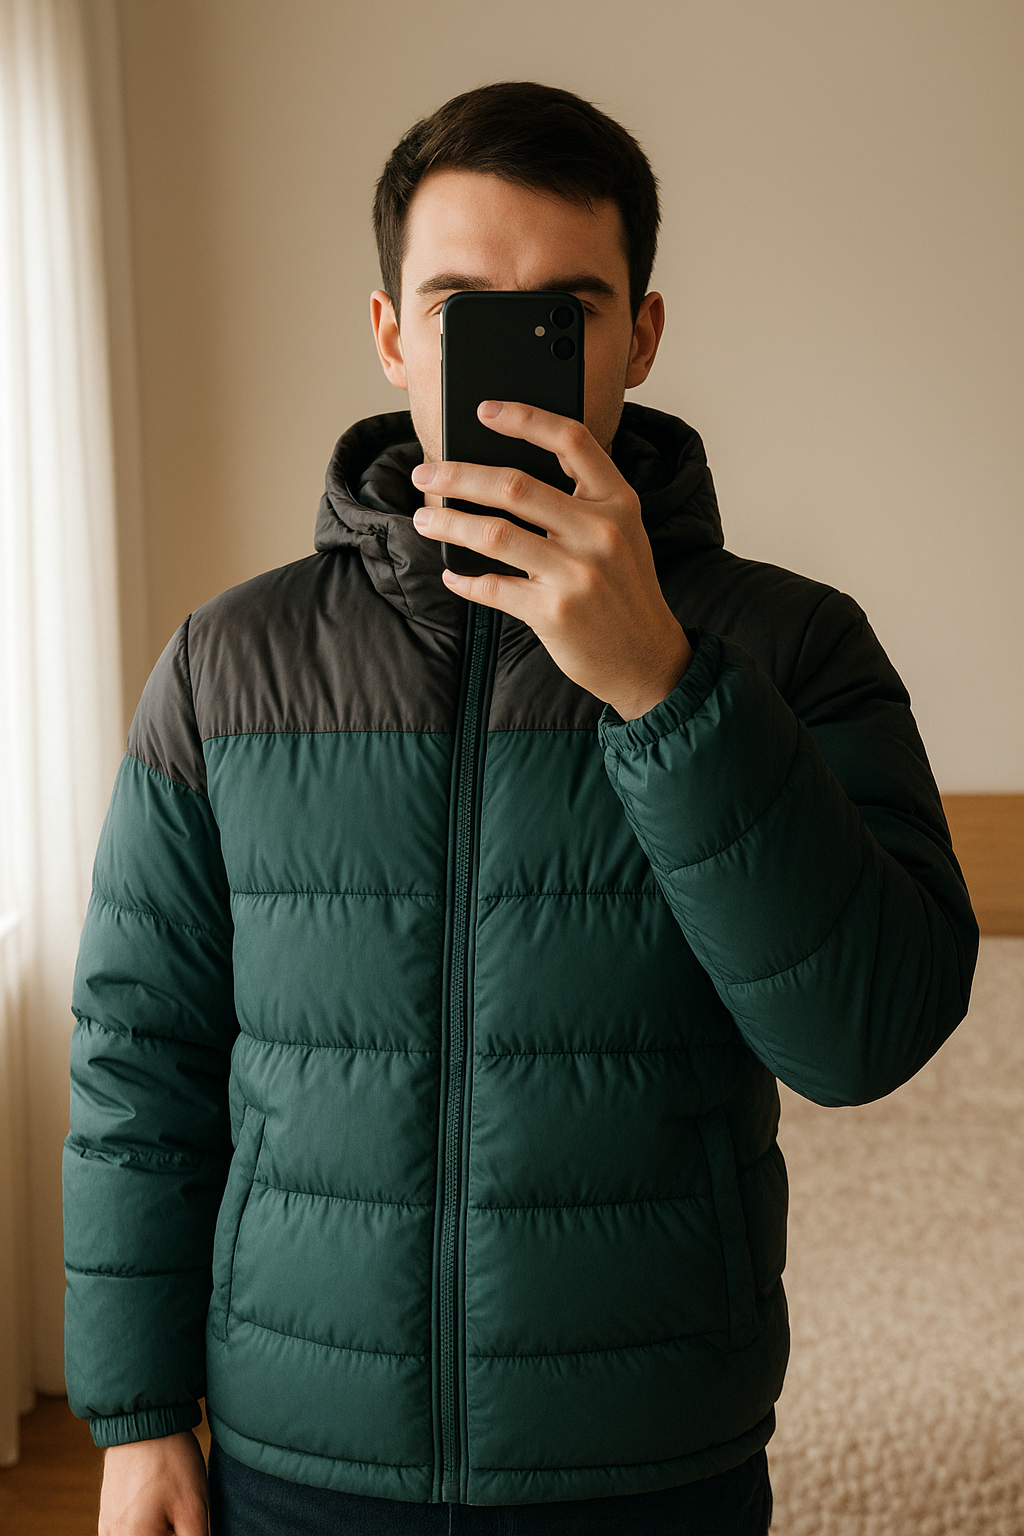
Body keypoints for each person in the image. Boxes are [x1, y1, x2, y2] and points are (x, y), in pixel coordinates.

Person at [64, 82, 978, 1536]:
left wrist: (664, 689)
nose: (507, 360)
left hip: (646, 1452)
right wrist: (135, 1421)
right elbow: (140, 1063)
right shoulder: (228, 664)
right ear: (390, 334)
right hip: (300, 1450)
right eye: (457, 308)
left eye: (565, 313)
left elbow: (866, 1036)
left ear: (641, 336)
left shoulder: (792, 647)